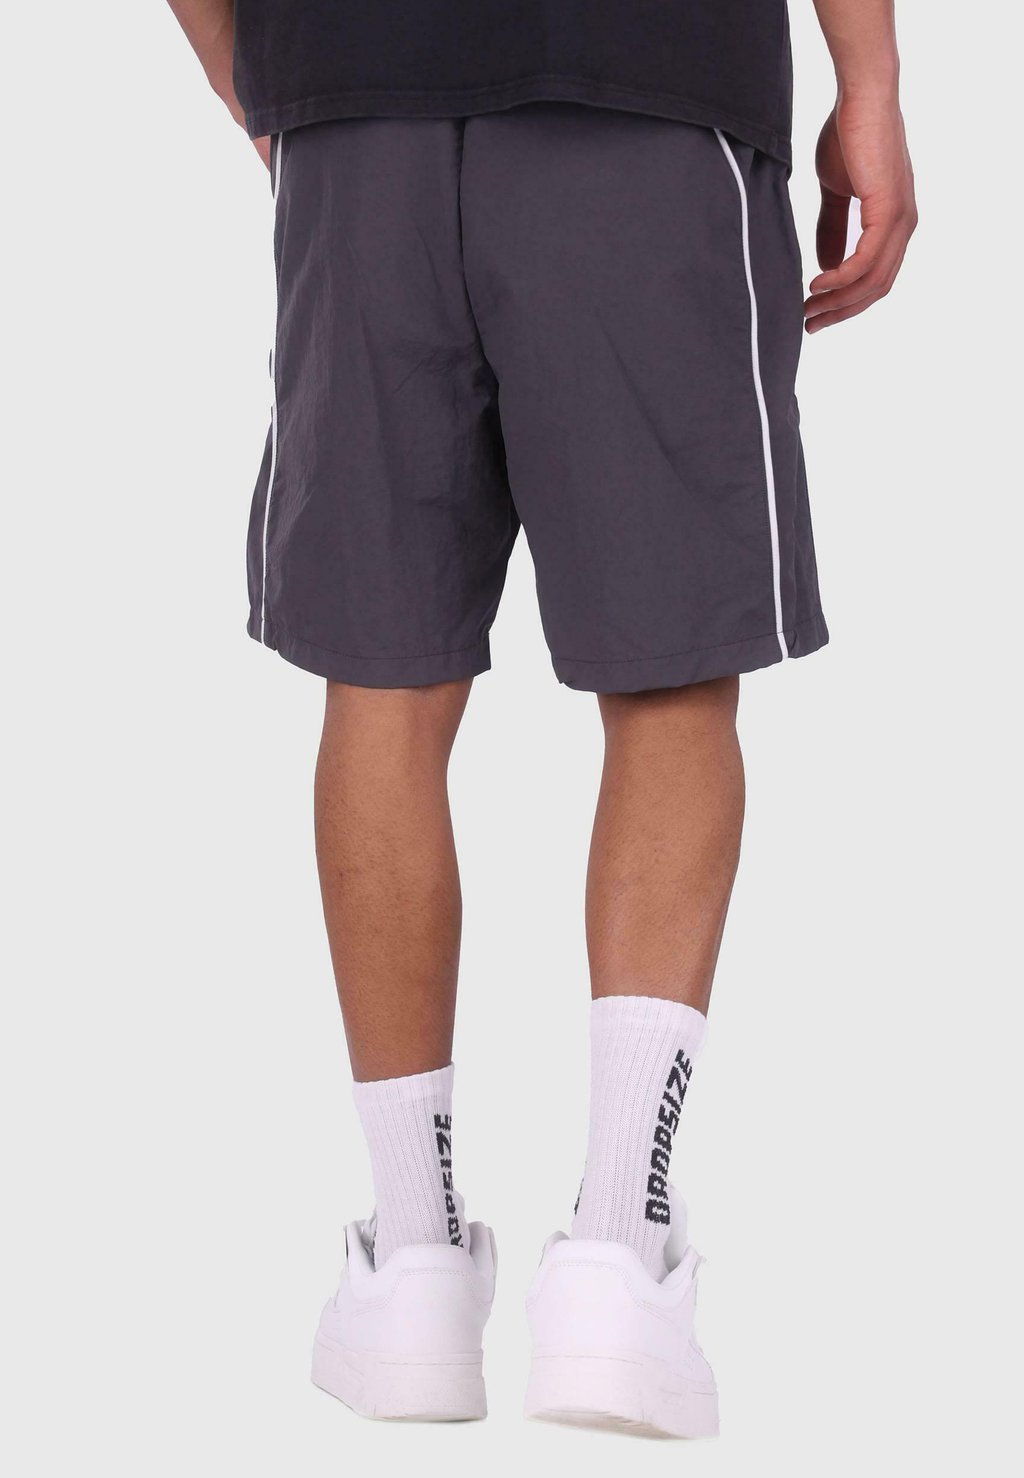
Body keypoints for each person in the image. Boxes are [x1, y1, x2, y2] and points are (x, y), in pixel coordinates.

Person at [169, 0, 916, 1437]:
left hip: (357, 95)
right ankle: (618, 1257)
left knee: (384, 676)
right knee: (671, 670)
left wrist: (265, 80)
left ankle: (413, 1260)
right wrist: (869, 78)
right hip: (648, 80)